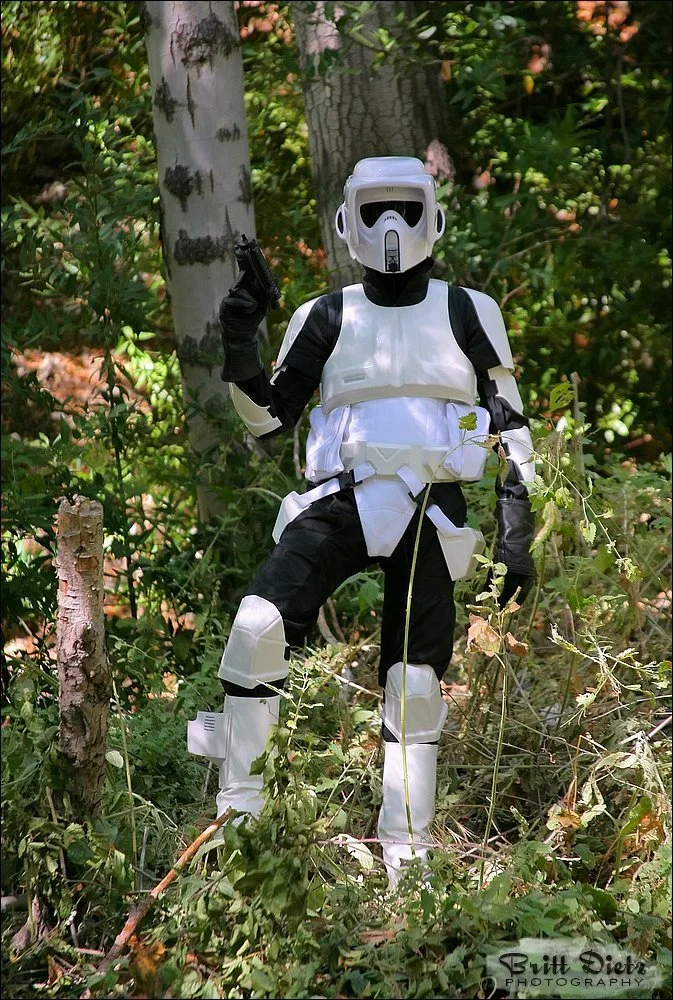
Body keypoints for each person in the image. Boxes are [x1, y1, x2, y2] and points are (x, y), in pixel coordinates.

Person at [188, 156, 536, 886]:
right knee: (256, 627)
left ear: (431, 217)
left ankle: (405, 853)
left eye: (403, 209)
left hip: (431, 508)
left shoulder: (468, 310)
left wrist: (515, 530)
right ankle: (240, 816)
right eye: (374, 208)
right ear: (348, 220)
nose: (389, 227)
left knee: (414, 681)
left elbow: (511, 425)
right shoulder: (325, 314)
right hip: (339, 499)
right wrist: (240, 339)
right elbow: (266, 420)